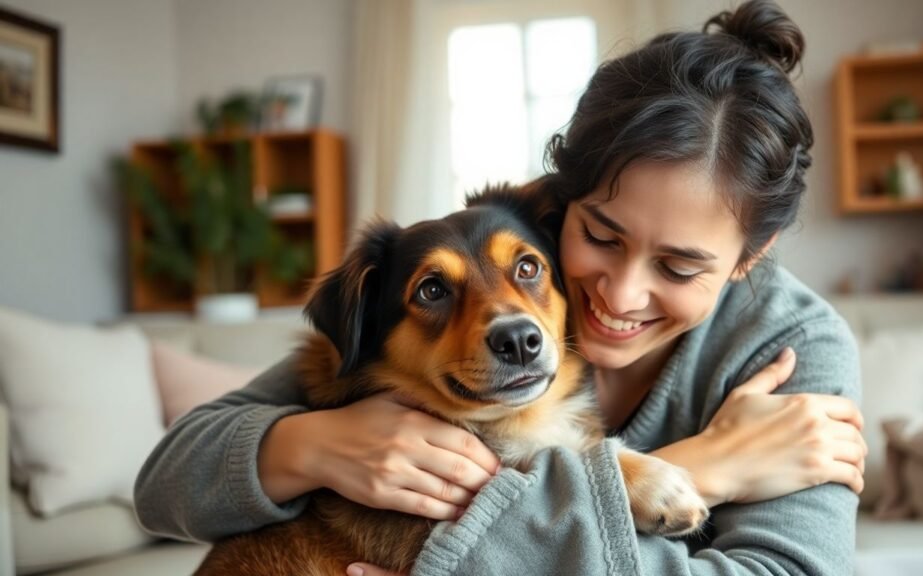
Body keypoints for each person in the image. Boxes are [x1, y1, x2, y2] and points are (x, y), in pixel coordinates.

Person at [135, 1, 865, 574]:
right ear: (561, 200)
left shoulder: (795, 347)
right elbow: (166, 482)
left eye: (679, 267)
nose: (619, 294)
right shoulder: (515, 252)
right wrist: (309, 444)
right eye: (602, 236)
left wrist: (474, 557)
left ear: (750, 255)